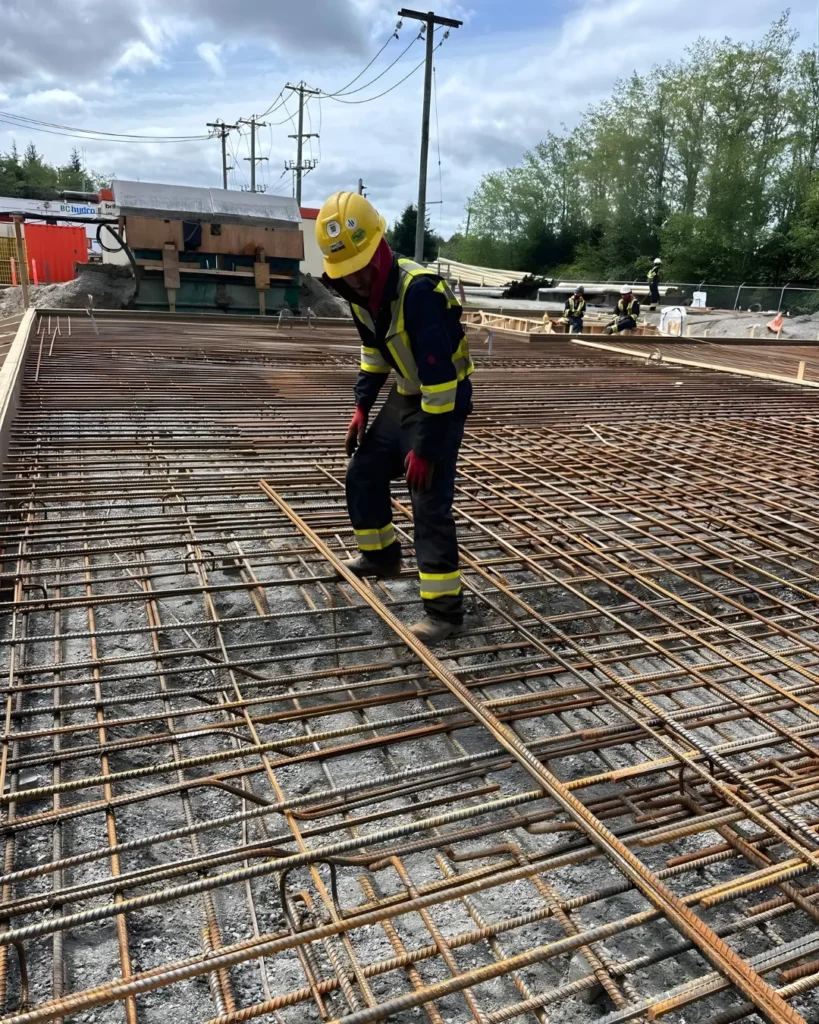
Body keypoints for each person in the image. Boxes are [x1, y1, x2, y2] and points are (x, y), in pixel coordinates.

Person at [316, 191, 474, 644]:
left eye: (362, 268)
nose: (357, 281)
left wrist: (424, 450)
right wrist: (361, 406)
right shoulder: (357, 292)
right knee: (362, 469)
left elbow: (441, 383)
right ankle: (381, 556)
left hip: (443, 402)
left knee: (427, 499)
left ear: (380, 249)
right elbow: (373, 354)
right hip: (408, 395)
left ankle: (445, 614)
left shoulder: (418, 291)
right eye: (346, 275)